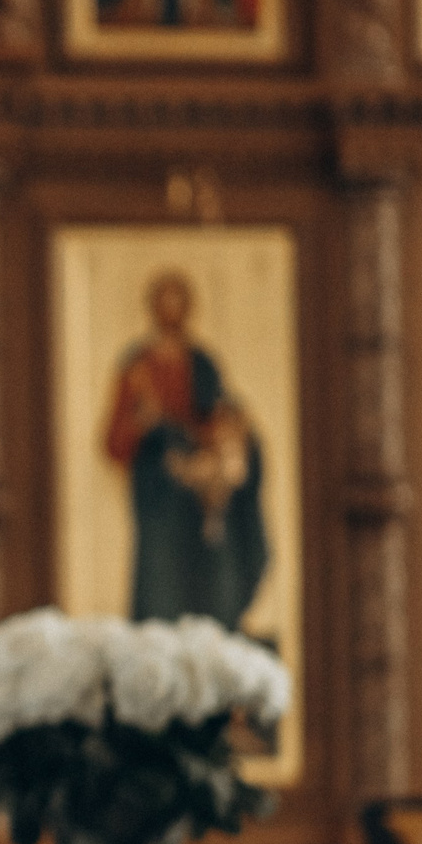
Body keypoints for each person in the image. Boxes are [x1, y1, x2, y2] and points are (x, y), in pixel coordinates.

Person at [99, 270, 268, 631]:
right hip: (158, 498)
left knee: (208, 585)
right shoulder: (137, 366)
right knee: (160, 587)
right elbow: (115, 439)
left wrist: (215, 437)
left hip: (199, 499)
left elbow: (220, 418)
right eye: (165, 303)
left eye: (179, 303)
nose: (171, 312)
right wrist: (142, 426)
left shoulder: (202, 362)